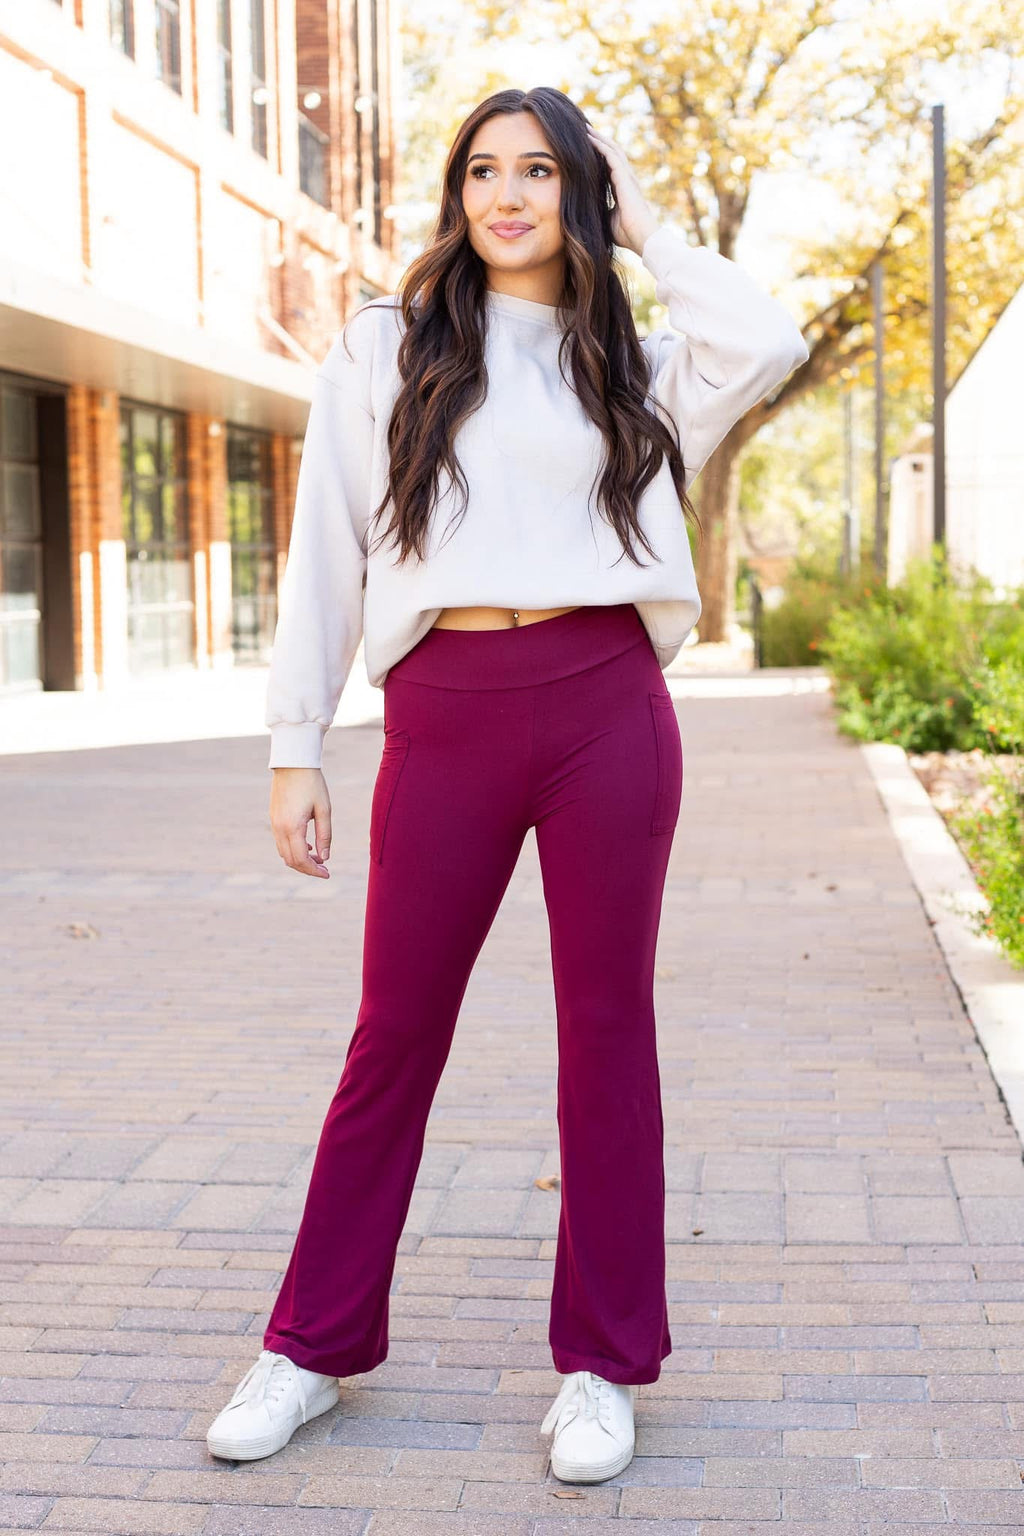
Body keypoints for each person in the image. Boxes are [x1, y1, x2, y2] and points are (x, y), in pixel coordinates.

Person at [206, 84, 808, 1484]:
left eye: (542, 170)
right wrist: (297, 740)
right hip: (446, 711)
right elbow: (326, 556)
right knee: (393, 1033)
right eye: (485, 169)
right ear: (456, 191)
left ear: (576, 192)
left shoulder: (639, 367)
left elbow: (768, 337)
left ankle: (601, 1365)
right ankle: (307, 1344)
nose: (509, 194)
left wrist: (643, 212)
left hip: (607, 709)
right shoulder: (384, 350)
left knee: (607, 1034)